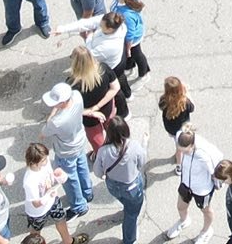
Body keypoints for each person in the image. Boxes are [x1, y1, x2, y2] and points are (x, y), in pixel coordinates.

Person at [41, 82, 95, 223]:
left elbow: (44, 132)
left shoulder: (57, 121)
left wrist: (53, 113)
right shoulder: (77, 96)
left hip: (65, 151)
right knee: (82, 166)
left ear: (62, 102)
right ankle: (87, 193)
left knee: (69, 178)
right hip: (80, 141)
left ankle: (79, 206)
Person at [92, 116, 147, 244]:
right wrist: (144, 142)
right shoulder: (134, 146)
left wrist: (103, 176)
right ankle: (129, 239)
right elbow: (141, 163)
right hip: (132, 186)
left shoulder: (103, 150)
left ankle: (126, 209)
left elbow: (97, 172)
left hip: (113, 186)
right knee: (132, 214)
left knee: (125, 202)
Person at [167, 127, 223, 241]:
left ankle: (206, 231)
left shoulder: (204, 156)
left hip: (202, 190)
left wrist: (217, 184)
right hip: (186, 183)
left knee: (206, 210)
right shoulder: (180, 136)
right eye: (180, 150)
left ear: (192, 146)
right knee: (180, 206)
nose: (183, 153)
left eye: (185, 151)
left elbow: (215, 172)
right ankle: (184, 221)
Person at [20, 142, 73, 244]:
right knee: (35, 233)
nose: (46, 160)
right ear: (34, 163)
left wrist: (58, 175)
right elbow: (36, 203)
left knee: (61, 219)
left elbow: (50, 179)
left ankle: (68, 241)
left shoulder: (45, 161)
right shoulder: (30, 181)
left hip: (53, 201)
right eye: (43, 160)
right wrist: (48, 194)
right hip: (38, 212)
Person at [158, 74, 194, 139]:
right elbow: (192, 108)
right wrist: (187, 93)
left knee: (175, 137)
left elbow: (160, 107)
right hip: (182, 127)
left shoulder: (163, 100)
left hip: (169, 127)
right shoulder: (185, 102)